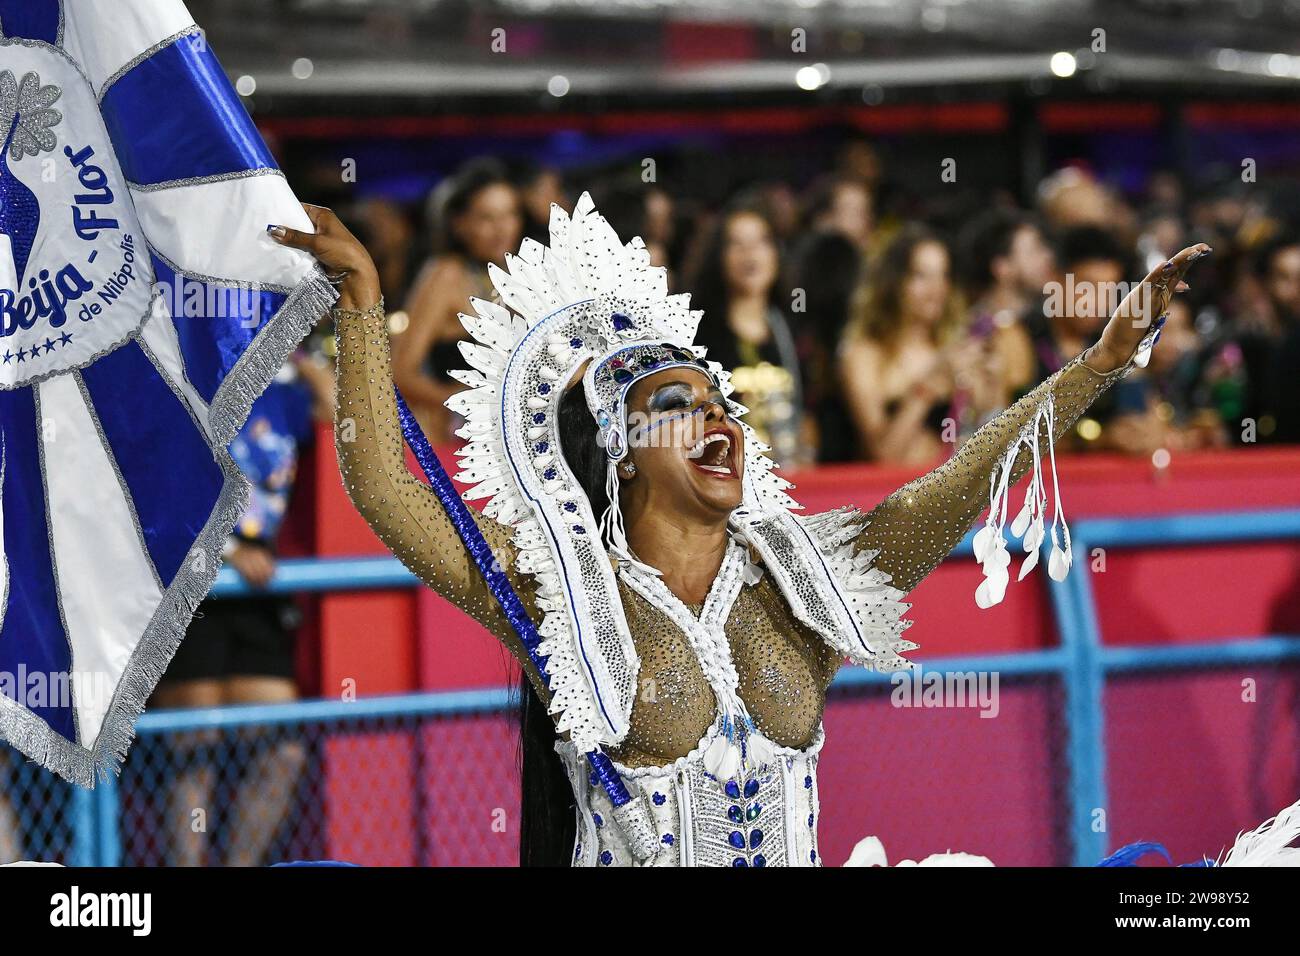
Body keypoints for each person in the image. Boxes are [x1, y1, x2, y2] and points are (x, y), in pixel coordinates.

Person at [268, 196, 1208, 868]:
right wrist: (360, 309)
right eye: (680, 404)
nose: (719, 417)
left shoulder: (802, 587)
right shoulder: (564, 594)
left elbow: (965, 479)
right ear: (623, 452)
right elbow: (389, 490)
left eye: (722, 400)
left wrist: (1096, 365)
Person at [150, 357, 324, 866]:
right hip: (189, 580)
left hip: (256, 590)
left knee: (282, 752)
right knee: (195, 749)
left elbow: (349, 415)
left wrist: (304, 353)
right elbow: (152, 488)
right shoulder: (180, 377)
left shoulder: (284, 389)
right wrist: (227, 547)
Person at [839, 225, 996, 466]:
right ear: (894, 282)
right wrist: (930, 386)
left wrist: (989, 387)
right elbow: (884, 455)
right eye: (922, 276)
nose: (937, 290)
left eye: (943, 275)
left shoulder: (958, 345)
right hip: (888, 496)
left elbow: (993, 443)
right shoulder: (863, 354)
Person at [392, 159, 523, 442]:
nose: (502, 229)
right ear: (460, 224)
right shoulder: (446, 274)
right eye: (487, 218)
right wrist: (467, 406)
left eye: (510, 214)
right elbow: (401, 373)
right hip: (459, 442)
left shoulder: (515, 276)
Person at [690, 202, 810, 467]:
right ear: (719, 257)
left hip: (794, 478)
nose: (750, 254)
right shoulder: (697, 336)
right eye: (737, 244)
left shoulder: (790, 329)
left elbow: (809, 414)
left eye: (760, 242)